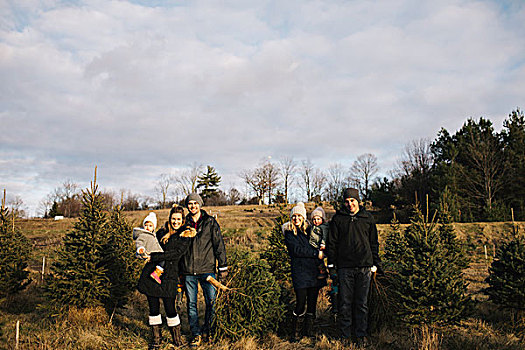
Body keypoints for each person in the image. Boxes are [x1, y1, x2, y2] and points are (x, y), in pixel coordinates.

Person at [327, 188, 382, 347]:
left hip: (364, 267)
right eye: (347, 201)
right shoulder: (338, 219)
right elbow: (332, 244)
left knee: (361, 303)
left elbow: (374, 242)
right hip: (345, 268)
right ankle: (345, 335)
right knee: (345, 303)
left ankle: (361, 335)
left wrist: (376, 263)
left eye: (352, 200)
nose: (350, 204)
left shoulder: (367, 218)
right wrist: (332, 265)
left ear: (358, 201)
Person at [137, 205, 197, 349]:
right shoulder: (162, 232)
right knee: (153, 307)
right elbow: (149, 241)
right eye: (173, 219)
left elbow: (175, 254)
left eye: (178, 219)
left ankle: (177, 339)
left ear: (182, 220)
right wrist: (142, 250)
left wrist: (154, 257)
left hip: (170, 275)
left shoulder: (185, 235)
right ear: (169, 219)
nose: (175, 222)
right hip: (153, 273)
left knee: (170, 308)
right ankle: (156, 339)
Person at [181, 193, 228, 347]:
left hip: (207, 271)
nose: (192, 206)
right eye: (190, 203)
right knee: (192, 304)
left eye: (195, 203)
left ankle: (209, 330)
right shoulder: (184, 223)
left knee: (211, 302)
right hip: (189, 270)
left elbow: (219, 245)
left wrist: (223, 267)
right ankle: (195, 334)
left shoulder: (210, 223)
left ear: (200, 205)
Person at [283, 202, 327, 342]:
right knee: (301, 302)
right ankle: (295, 332)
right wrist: (316, 254)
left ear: (303, 217)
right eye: (294, 216)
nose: (296, 219)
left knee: (312, 303)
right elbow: (297, 251)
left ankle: (309, 331)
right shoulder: (289, 233)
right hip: (300, 273)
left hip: (313, 272)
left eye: (299, 216)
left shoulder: (310, 231)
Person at [133, 212, 165, 284]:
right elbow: (139, 242)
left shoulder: (153, 235)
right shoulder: (143, 235)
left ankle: (157, 274)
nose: (147, 227)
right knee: (162, 261)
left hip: (156, 255)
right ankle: (156, 274)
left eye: (150, 226)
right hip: (150, 254)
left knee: (163, 261)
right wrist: (140, 248)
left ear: (154, 227)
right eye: (146, 225)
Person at [309, 206, 329, 280]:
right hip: (314, 246)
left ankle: (324, 272)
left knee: (321, 260)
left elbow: (325, 236)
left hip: (320, 247)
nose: (316, 221)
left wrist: (322, 245)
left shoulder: (323, 227)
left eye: (318, 219)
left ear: (322, 219)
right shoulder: (313, 227)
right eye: (314, 219)